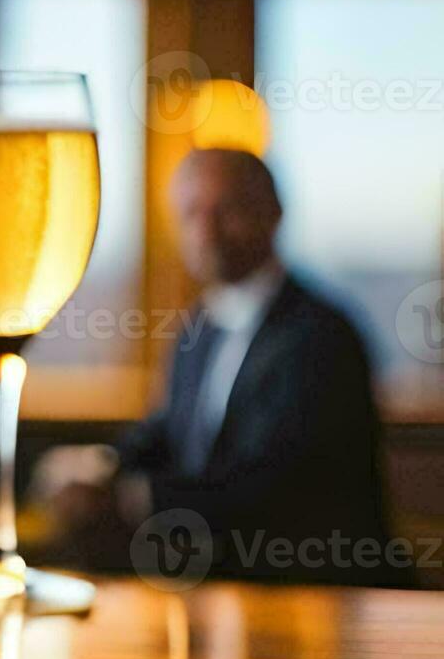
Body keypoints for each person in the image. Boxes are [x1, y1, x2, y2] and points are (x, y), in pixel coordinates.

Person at [35, 148, 406, 586]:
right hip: (226, 592)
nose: (206, 232)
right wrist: (101, 464)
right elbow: (173, 428)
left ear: (273, 214)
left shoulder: (322, 336)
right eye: (191, 214)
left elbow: (274, 481)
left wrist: (138, 496)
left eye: (226, 211)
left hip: (328, 596)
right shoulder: (201, 328)